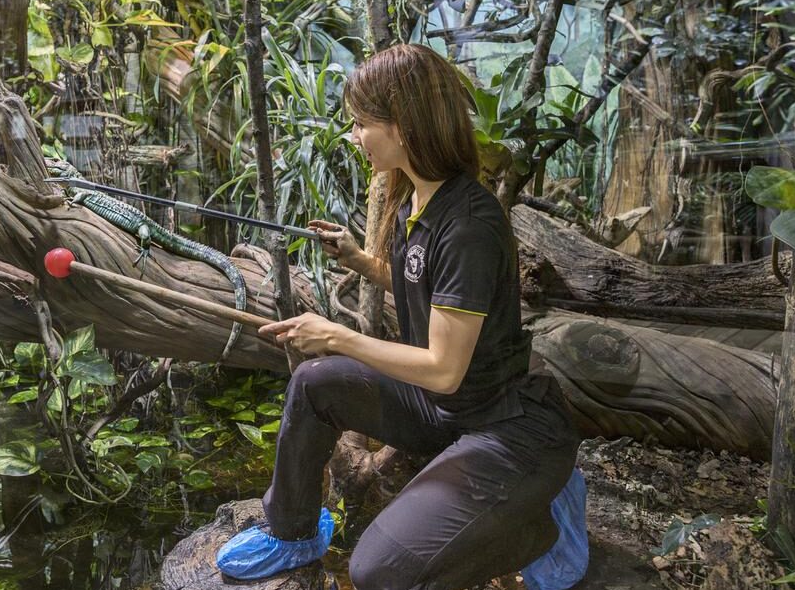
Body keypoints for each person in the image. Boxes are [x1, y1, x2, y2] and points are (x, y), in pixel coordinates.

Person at [215, 44, 586, 590]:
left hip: (504, 425)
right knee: (314, 384)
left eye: (363, 123)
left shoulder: (468, 223)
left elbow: (442, 367)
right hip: (442, 412)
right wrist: (362, 261)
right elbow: (426, 287)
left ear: (405, 126)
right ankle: (292, 533)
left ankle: (540, 522)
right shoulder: (420, 200)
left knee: (378, 570)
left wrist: (340, 336)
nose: (356, 136)